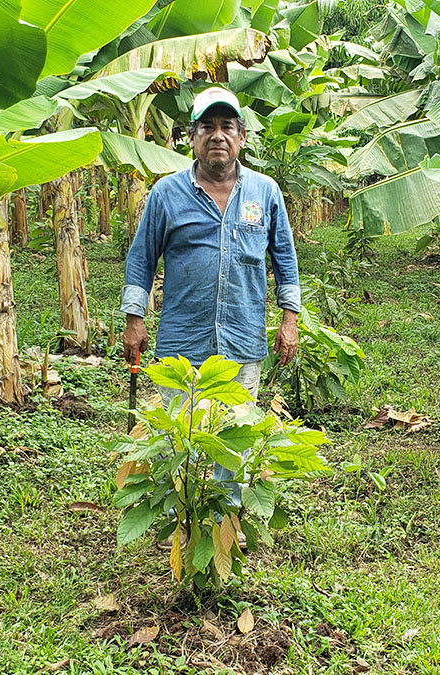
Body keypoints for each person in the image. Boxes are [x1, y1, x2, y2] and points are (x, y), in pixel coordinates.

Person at [120, 86, 301, 504]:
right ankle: (179, 516)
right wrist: (134, 319)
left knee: (234, 436)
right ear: (192, 137)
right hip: (182, 340)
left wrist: (289, 320)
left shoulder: (266, 193)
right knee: (177, 436)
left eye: (227, 127)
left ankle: (226, 518)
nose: (217, 135)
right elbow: (141, 259)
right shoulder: (167, 193)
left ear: (240, 138)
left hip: (242, 338)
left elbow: (286, 260)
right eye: (208, 127)